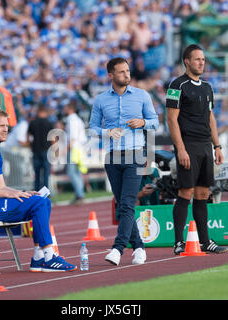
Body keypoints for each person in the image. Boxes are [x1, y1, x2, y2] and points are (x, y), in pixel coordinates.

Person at [0, 108, 76, 272]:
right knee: (38, 204)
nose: (6, 129)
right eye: (1, 125)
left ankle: (38, 256)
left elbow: (1, 186)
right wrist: (7, 193)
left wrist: (20, 192)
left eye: (7, 126)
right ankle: (49, 256)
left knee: (43, 201)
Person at [89, 57, 159, 266]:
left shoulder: (141, 95)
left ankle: (118, 249)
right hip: (111, 157)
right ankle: (139, 247)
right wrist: (107, 132)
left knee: (127, 203)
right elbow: (92, 128)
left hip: (134, 155)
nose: (127, 75)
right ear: (110, 75)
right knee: (123, 205)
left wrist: (143, 122)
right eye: (121, 72)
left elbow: (155, 123)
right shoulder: (101, 100)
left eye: (128, 71)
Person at [166, 44, 228, 255]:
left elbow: (211, 118)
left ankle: (205, 241)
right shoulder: (177, 85)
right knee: (186, 191)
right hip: (188, 144)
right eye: (197, 59)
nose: (201, 62)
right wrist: (180, 149)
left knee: (203, 193)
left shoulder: (207, 87)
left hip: (204, 146)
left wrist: (217, 146)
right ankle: (178, 242)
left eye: (203, 59)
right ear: (187, 61)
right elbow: (171, 120)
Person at [64, 100, 87, 205]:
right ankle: (80, 194)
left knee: (72, 172)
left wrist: (66, 149)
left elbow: (72, 137)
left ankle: (80, 195)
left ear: (69, 108)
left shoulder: (71, 120)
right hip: (80, 148)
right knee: (77, 172)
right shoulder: (78, 119)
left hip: (74, 149)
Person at [27, 104, 53, 191]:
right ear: (45, 112)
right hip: (46, 151)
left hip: (35, 150)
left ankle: (37, 193)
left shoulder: (33, 123)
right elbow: (53, 138)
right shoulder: (49, 123)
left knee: (37, 174)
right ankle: (45, 193)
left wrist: (30, 144)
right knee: (46, 174)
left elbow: (28, 136)